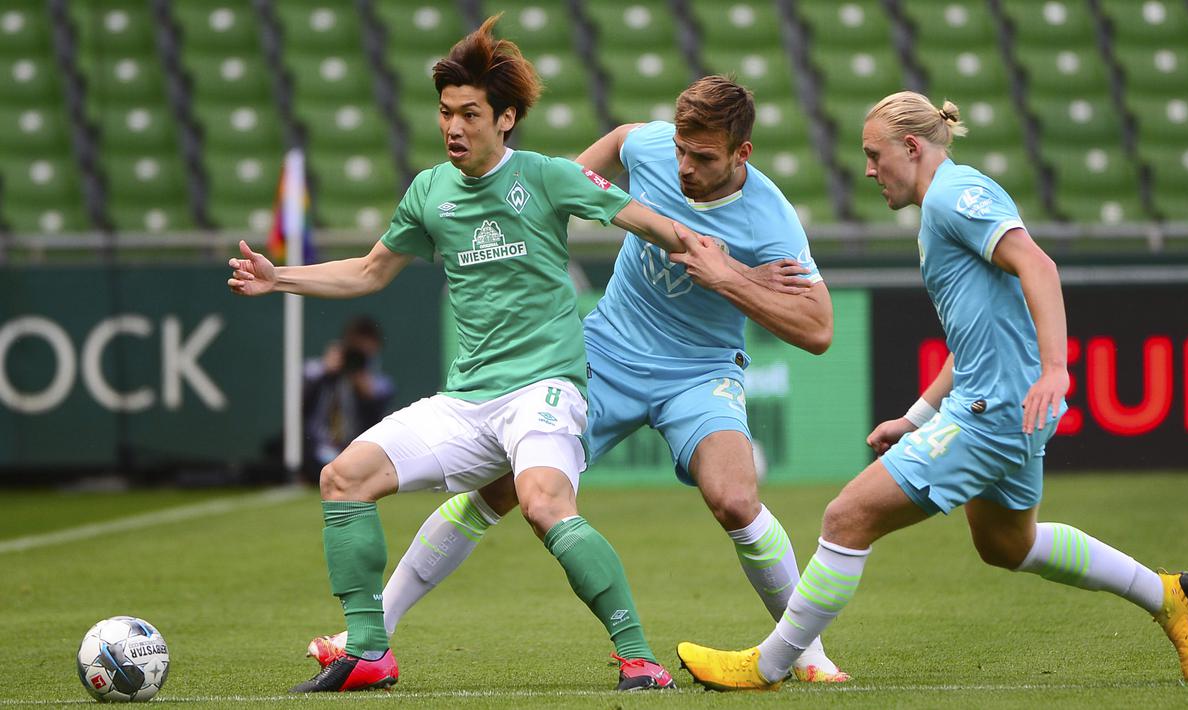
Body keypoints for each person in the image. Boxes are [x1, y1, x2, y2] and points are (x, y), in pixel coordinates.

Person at [306, 76, 850, 683]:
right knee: (499, 487)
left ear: (741, 154)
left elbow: (820, 330)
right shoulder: (650, 147)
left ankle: (808, 652)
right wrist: (544, 195)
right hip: (605, 354)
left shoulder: (772, 220)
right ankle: (372, 628)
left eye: (703, 158)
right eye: (679, 150)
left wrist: (730, 279)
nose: (684, 167)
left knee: (735, 499)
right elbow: (619, 140)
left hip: (699, 371)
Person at [228, 16, 701, 693]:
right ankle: (368, 650)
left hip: (544, 390)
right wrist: (282, 278)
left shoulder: (547, 178)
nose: (453, 126)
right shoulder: (429, 191)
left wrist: (728, 265)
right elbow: (368, 272)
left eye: (469, 113)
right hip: (467, 401)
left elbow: (651, 224)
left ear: (505, 118)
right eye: (445, 112)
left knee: (542, 504)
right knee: (342, 478)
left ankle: (638, 658)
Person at [676, 91, 1188, 690]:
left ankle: (768, 666)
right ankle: (1167, 595)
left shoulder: (956, 197)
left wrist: (1056, 367)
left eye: (876, 156)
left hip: (995, 412)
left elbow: (1039, 266)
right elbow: (977, 332)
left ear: (912, 147)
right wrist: (917, 416)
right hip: (999, 408)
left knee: (846, 517)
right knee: (1008, 543)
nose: (870, 170)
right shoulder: (943, 207)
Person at [302, 316, 395, 479]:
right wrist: (326, 372)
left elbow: (377, 419)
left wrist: (365, 389)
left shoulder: (379, 384)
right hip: (314, 448)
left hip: (357, 449)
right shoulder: (317, 371)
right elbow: (300, 405)